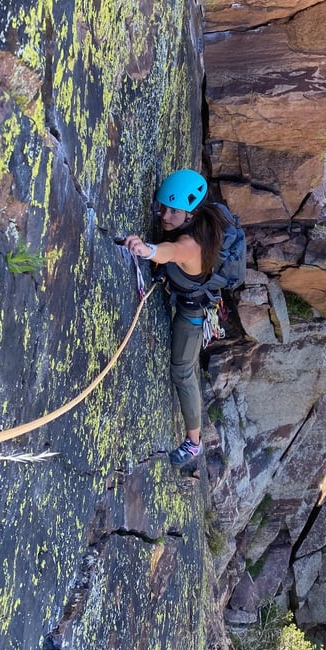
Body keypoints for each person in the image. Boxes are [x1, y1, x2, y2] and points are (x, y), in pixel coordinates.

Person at [125, 169, 228, 470]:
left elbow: (171, 252)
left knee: (183, 372)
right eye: (163, 208)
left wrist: (147, 250)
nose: (165, 216)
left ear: (190, 215)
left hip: (192, 313)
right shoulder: (197, 223)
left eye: (174, 211)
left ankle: (194, 443)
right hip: (191, 299)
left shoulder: (191, 245)